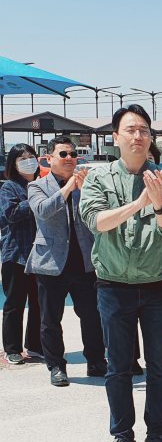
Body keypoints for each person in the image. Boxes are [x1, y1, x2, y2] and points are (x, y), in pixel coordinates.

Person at [79, 105, 162, 442]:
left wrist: (158, 205)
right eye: (130, 129)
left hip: (160, 286)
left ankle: (157, 435)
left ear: (151, 137)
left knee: (159, 367)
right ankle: (122, 438)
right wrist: (140, 202)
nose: (138, 136)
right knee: (118, 367)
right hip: (114, 286)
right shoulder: (98, 178)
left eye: (144, 130)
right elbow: (97, 222)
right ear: (115, 137)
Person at [26, 136, 106, 387]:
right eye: (63, 154)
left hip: (84, 262)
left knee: (92, 315)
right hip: (51, 263)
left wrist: (82, 189)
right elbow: (43, 211)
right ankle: (57, 366)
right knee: (50, 319)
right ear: (49, 159)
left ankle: (96, 360)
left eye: (73, 154)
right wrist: (69, 187)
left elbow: (96, 216)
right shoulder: (38, 186)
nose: (70, 158)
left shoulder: (87, 184)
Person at [0, 144, 42, 364]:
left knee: (38, 302)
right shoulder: (9, 188)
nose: (28, 161)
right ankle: (12, 348)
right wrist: (35, 200)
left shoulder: (42, 184)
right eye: (22, 158)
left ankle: (35, 345)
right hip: (16, 254)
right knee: (15, 303)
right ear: (13, 164)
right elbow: (11, 214)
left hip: (40, 255)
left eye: (31, 157)